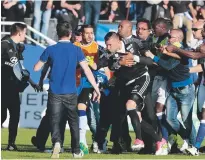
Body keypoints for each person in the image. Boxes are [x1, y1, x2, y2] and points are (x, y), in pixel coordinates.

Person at [34, 21, 101, 159]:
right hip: (71, 92)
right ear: (70, 34)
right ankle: (76, 150)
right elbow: (87, 70)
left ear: (57, 33)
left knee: (55, 120)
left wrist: (42, 76)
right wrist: (96, 88)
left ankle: (57, 142)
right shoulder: (77, 50)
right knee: (73, 122)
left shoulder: (50, 49)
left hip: (55, 92)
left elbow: (36, 68)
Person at [104, 31, 166, 155]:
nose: (107, 47)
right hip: (127, 85)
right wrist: (119, 63)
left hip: (141, 79)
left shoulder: (133, 44)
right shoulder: (110, 54)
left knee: (131, 106)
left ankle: (139, 140)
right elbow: (111, 67)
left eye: (110, 45)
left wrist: (135, 57)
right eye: (106, 45)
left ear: (118, 41)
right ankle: (160, 140)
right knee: (135, 117)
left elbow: (150, 61)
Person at [146, 29, 196, 153]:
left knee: (186, 120)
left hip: (186, 90)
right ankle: (185, 137)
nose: (169, 39)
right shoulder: (170, 49)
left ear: (178, 39)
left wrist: (153, 57)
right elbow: (163, 62)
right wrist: (160, 51)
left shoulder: (182, 51)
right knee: (170, 119)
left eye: (172, 37)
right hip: (173, 89)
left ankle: (193, 146)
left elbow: (168, 66)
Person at [1, 23, 39, 151]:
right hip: (3, 86)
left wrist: (32, 82)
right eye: (24, 33)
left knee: (15, 115)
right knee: (2, 116)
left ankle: (11, 144)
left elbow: (20, 68)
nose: (25, 35)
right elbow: (14, 66)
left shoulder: (17, 47)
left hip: (13, 87)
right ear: (19, 33)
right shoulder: (4, 44)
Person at [74, 25, 99, 154]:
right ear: (82, 34)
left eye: (92, 33)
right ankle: (59, 143)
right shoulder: (75, 45)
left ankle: (85, 140)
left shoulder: (96, 47)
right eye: (87, 33)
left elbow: (96, 66)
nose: (90, 36)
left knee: (82, 108)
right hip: (74, 82)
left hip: (88, 83)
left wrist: (87, 61)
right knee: (83, 115)